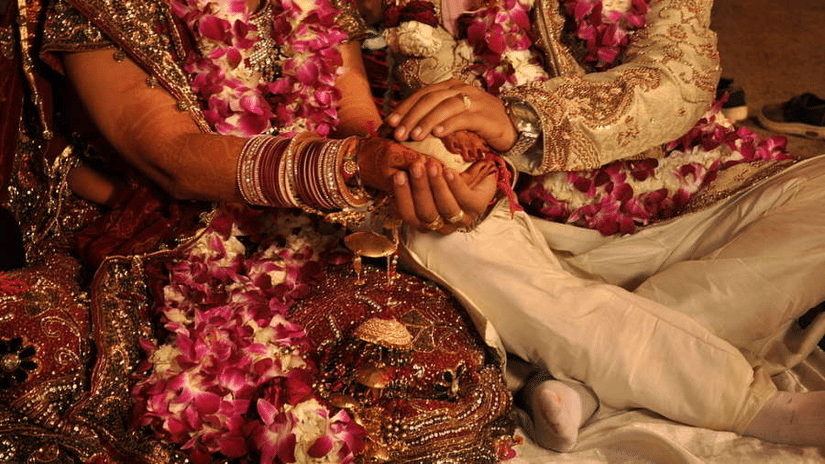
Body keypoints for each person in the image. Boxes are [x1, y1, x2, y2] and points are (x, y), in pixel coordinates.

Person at [0, 0, 515, 461]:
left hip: (303, 232)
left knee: (411, 362)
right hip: (147, 237)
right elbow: (170, 157)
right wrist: (355, 165)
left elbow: (354, 121)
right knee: (30, 352)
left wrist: (425, 166)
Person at [372, 0, 825, 451]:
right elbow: (441, 126)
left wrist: (524, 122)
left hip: (700, 206)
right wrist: (466, 181)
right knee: (427, 215)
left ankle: (582, 379)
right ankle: (749, 406)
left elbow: (679, 81)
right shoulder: (420, 8)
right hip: (537, 245)